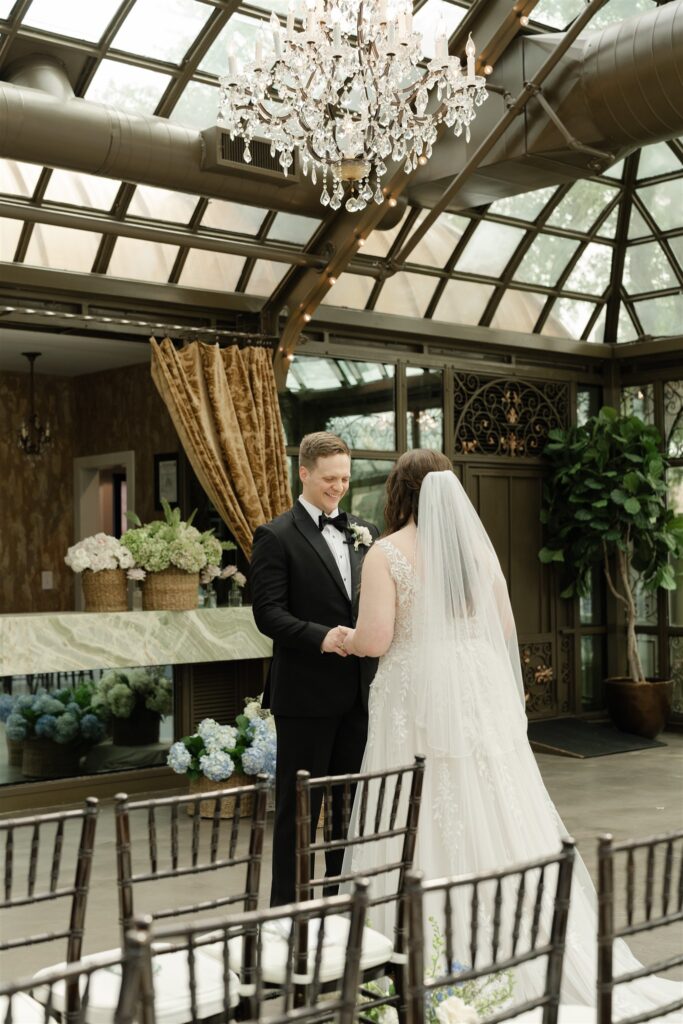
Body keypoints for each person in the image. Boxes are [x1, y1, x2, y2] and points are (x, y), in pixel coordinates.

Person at [341, 448, 682, 1019]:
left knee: (412, 806)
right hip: (474, 696)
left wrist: (339, 638)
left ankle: (410, 966)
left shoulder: (386, 554)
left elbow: (374, 640)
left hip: (415, 697)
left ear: (399, 494)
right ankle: (521, 947)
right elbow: (503, 631)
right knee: (496, 802)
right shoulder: (477, 553)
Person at [250, 431, 379, 906]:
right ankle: (287, 914)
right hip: (304, 697)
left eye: (345, 477)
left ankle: (339, 901)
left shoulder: (366, 532)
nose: (338, 487)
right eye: (329, 478)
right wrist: (320, 637)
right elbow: (268, 613)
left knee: (350, 808)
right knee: (299, 813)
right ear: (303, 473)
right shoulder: (275, 535)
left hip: (360, 695)